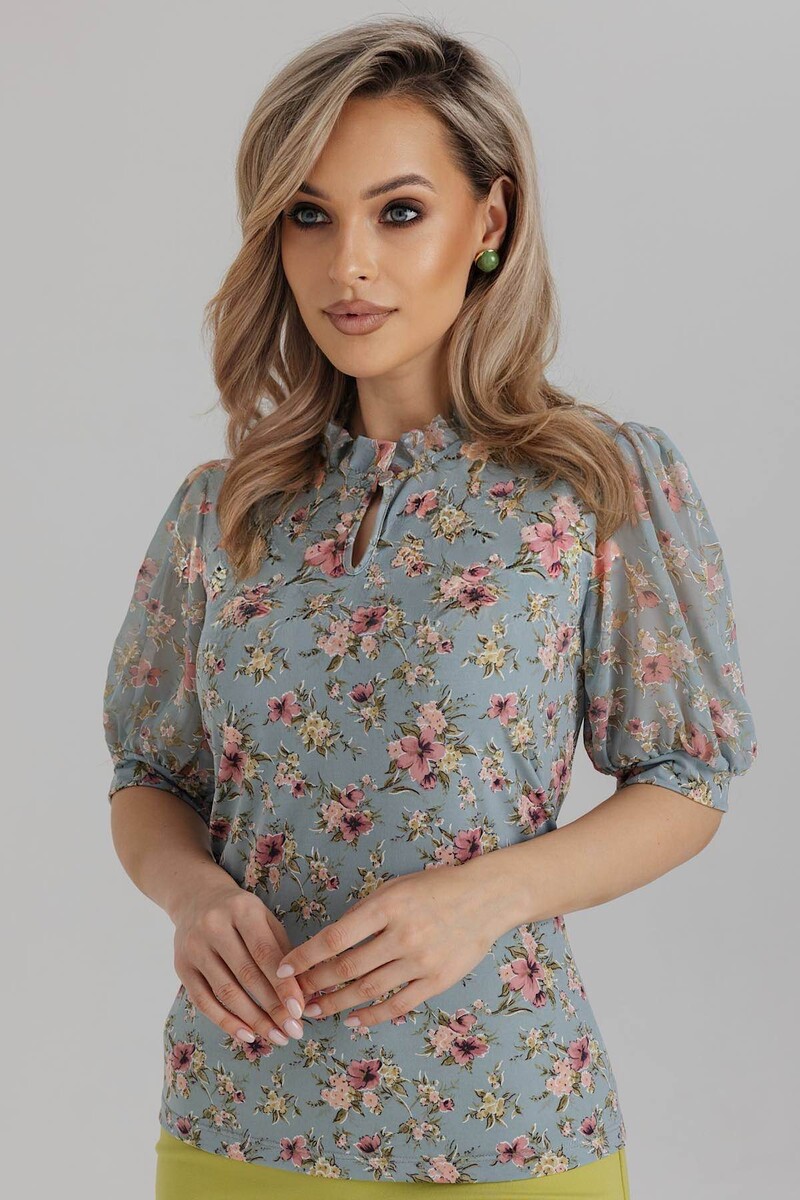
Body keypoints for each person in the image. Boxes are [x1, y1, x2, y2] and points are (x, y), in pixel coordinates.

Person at [101, 15, 757, 1199]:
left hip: (503, 1122)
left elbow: (684, 777)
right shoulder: (225, 509)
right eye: (309, 216)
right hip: (237, 1117)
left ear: (489, 221)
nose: (347, 264)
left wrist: (485, 898)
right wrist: (192, 896)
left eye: (397, 211)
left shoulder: (594, 485)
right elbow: (150, 775)